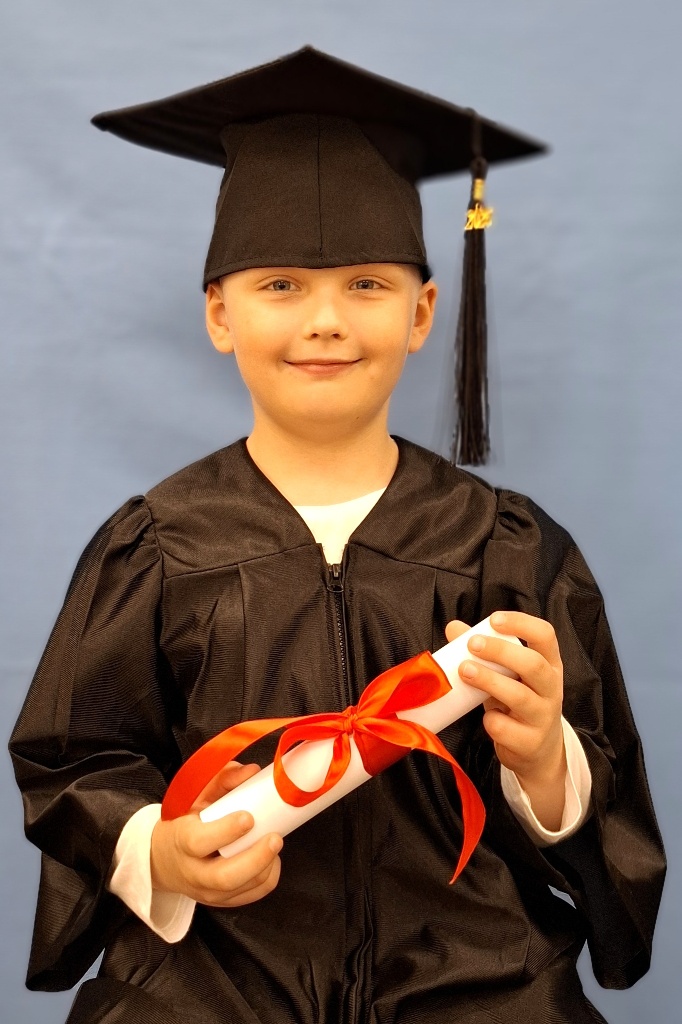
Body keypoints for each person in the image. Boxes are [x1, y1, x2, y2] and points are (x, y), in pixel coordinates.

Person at [10, 46, 665, 1024]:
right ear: (219, 314)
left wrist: (544, 763)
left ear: (422, 312)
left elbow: (602, 786)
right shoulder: (156, 546)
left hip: (471, 981)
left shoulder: (506, 546)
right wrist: (160, 849)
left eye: (365, 284)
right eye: (280, 285)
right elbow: (75, 757)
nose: (324, 320)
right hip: (217, 986)